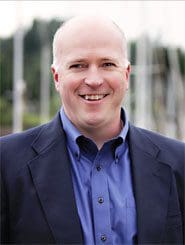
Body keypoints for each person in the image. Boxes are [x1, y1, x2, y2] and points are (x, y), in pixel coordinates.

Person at [1, 15, 184, 244]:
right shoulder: (6, 163)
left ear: (126, 75)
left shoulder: (179, 162)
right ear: (57, 77)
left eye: (107, 64)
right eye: (78, 65)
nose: (94, 79)